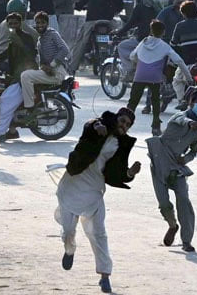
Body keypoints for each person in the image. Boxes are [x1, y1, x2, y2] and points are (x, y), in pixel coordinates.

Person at [55, 107, 141, 294]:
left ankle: (105, 276)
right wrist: (98, 125)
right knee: (69, 230)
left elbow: (115, 173)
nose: (123, 126)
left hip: (94, 190)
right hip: (73, 183)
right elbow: (89, 125)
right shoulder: (97, 125)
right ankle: (69, 249)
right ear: (116, 118)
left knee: (99, 233)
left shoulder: (121, 144)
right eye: (122, 121)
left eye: (128, 124)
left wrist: (129, 174)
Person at [146, 89, 197, 253]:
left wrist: (186, 159)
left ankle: (186, 241)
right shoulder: (179, 116)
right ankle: (172, 225)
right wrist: (191, 123)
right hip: (160, 161)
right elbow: (183, 120)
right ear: (191, 103)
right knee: (164, 203)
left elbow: (194, 150)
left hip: (176, 166)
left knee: (184, 200)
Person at [127, 21, 190, 136]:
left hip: (139, 76)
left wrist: (139, 63)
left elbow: (132, 56)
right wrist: (188, 77)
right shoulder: (165, 46)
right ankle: (156, 126)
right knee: (155, 100)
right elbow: (179, 61)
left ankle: (123, 125)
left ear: (151, 31)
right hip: (155, 78)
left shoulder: (143, 42)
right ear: (163, 32)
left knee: (132, 102)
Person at [0, 13, 39, 143]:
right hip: (16, 75)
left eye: (15, 23)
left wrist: (18, 42)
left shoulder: (26, 37)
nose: (13, 26)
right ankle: (12, 131)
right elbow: (5, 54)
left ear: (20, 24)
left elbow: (31, 54)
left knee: (6, 101)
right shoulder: (12, 39)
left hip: (25, 76)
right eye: (10, 24)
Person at [69, 0, 124, 73]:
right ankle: (121, 65)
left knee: (80, 42)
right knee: (119, 38)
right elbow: (121, 6)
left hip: (92, 21)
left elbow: (82, 2)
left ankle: (72, 67)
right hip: (109, 21)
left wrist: (78, 6)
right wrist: (114, 11)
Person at [20, 12, 69, 109]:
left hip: (58, 72)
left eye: (43, 23)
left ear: (47, 24)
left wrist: (52, 65)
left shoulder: (52, 34)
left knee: (25, 76)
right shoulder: (40, 41)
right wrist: (43, 67)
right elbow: (42, 62)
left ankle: (29, 107)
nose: (40, 25)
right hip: (50, 72)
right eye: (38, 23)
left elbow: (64, 49)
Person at [114, 0, 162, 78]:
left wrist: (119, 33)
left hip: (143, 39)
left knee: (122, 46)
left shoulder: (140, 7)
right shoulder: (157, 5)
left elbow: (130, 23)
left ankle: (130, 71)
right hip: (158, 39)